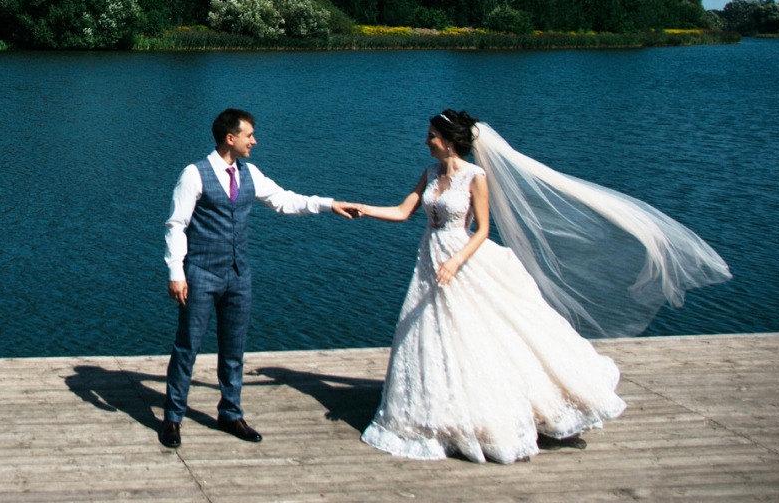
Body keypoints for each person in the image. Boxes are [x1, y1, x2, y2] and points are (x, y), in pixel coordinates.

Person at [353, 109, 730, 464]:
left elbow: (482, 229)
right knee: (430, 332)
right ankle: (436, 412)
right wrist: (363, 209)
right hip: (430, 258)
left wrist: (455, 260)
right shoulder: (431, 173)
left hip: (461, 257)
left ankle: (509, 408)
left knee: (480, 329)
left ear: (449, 141)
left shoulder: (474, 177)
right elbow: (404, 211)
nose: (426, 141)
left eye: (431, 136)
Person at [159, 107, 362, 448]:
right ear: (230, 138)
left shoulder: (249, 172)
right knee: (187, 348)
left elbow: (284, 201)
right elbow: (176, 225)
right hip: (201, 274)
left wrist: (330, 204)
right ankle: (173, 419)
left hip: (239, 277)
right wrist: (176, 273)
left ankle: (231, 413)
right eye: (249, 135)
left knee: (234, 350)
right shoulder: (194, 174)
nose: (254, 140)